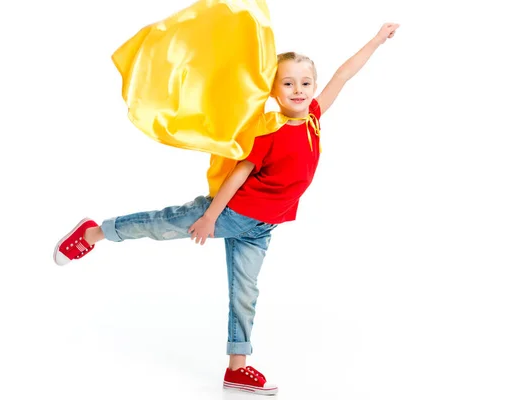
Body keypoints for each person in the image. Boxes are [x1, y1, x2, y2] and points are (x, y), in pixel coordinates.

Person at [53, 22, 400, 396]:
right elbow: (239, 174)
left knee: (245, 294)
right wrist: (209, 217)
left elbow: (344, 74)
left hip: (262, 227)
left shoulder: (314, 116)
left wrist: (377, 41)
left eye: (305, 82)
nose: (298, 90)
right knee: (162, 224)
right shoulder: (270, 129)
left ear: (314, 87)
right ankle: (92, 232)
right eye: (288, 83)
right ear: (273, 89)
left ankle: (237, 368)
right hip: (231, 214)